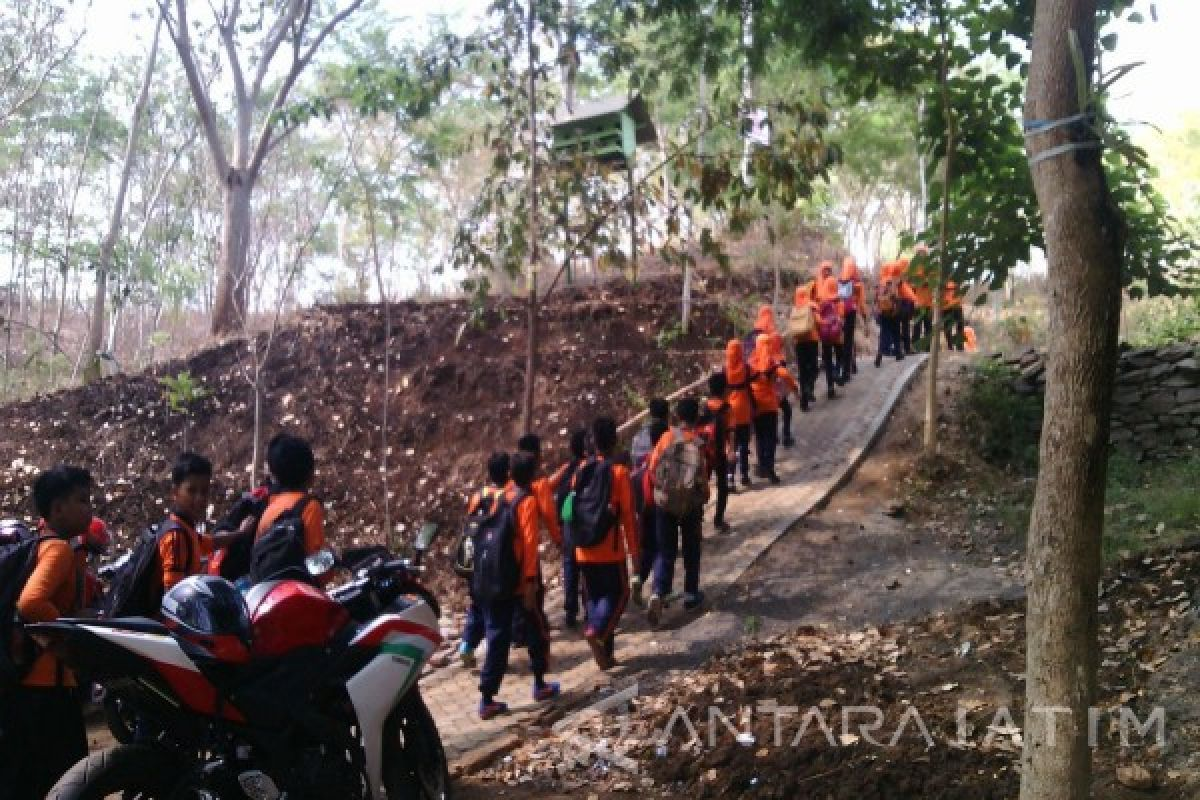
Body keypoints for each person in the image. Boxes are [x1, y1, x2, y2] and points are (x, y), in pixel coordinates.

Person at [0, 466, 92, 799]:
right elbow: (31, 602)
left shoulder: (39, 544)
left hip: (24, 685)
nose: (90, 509)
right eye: (82, 501)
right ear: (56, 509)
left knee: (24, 780)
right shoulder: (59, 549)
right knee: (73, 780)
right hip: (47, 689)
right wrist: (68, 636)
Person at [478, 451, 560, 719]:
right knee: (537, 628)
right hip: (518, 581)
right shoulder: (526, 502)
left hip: (492, 577)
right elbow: (529, 546)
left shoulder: (494, 497)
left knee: (498, 638)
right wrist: (529, 583)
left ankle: (487, 698)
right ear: (533, 475)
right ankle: (540, 684)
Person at [574, 417, 639, 670]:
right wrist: (634, 554)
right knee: (620, 595)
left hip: (583, 549)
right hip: (610, 551)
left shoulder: (580, 471)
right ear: (614, 440)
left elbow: (570, 510)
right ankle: (597, 633)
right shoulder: (619, 473)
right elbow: (628, 518)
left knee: (596, 598)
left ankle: (606, 655)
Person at [646, 397, 711, 626]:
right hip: (690, 505)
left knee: (666, 551)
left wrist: (660, 492)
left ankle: (659, 592)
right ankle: (691, 594)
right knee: (692, 548)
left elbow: (652, 468)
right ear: (696, 418)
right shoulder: (698, 442)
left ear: (677, 417)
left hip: (665, 504)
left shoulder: (666, 437)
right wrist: (704, 497)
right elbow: (702, 477)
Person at [458, 451, 510, 667]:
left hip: (473, 560)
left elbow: (470, 525)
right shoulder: (506, 497)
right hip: (494, 562)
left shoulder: (478, 496)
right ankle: (494, 657)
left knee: (477, 605)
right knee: (495, 611)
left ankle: (466, 647)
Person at [255, 433, 325, 555]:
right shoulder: (309, 508)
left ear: (274, 476)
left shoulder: (268, 510)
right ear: (310, 473)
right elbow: (319, 567)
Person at [629, 400, 668, 607]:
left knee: (647, 547)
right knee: (663, 548)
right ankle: (658, 592)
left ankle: (637, 578)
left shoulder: (638, 443)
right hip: (661, 504)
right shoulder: (667, 448)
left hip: (641, 503)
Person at [750, 334, 798, 483]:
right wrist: (795, 389)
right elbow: (786, 375)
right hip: (770, 404)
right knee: (770, 437)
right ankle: (770, 468)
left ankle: (762, 465)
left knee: (759, 436)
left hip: (755, 406)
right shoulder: (772, 363)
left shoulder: (751, 363)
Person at [555, 429, 590, 629]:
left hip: (568, 525)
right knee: (586, 568)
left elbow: (559, 498)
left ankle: (570, 610)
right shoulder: (589, 468)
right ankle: (588, 607)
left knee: (570, 568)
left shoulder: (566, 470)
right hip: (584, 524)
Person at [701, 372, 733, 532]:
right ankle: (719, 520)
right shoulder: (725, 408)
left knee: (699, 487)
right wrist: (731, 450)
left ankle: (697, 523)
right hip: (719, 453)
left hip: (704, 454)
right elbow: (729, 431)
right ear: (724, 389)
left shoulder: (705, 406)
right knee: (722, 486)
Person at [723, 340, 754, 489]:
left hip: (730, 411)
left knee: (731, 446)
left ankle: (730, 478)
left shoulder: (724, 370)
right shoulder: (746, 368)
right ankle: (744, 475)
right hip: (744, 409)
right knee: (743, 444)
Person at [790, 284, 820, 412]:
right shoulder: (811, 305)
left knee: (802, 371)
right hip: (811, 341)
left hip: (799, 342)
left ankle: (804, 403)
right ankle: (809, 387)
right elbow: (818, 321)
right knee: (813, 367)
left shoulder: (794, 308)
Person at [838, 256, 867, 382]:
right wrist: (864, 314)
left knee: (844, 341)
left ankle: (849, 367)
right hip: (851, 312)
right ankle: (848, 369)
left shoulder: (839, 281)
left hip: (839, 313)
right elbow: (861, 301)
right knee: (848, 341)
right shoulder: (858, 283)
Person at [817, 275, 844, 396]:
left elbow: (817, 317)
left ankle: (830, 387)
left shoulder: (821, 300)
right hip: (837, 333)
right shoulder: (838, 299)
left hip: (825, 334)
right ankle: (836, 373)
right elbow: (842, 315)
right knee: (839, 355)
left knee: (827, 359)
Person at [875, 261, 905, 367]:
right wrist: (898, 309)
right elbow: (898, 297)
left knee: (884, 334)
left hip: (883, 312)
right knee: (896, 332)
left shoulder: (881, 282)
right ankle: (898, 353)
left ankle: (880, 353)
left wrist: (878, 311)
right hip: (893, 312)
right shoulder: (894, 281)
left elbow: (876, 299)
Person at [942, 280, 966, 351]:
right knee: (948, 328)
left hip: (957, 306)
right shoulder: (942, 279)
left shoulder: (957, 279)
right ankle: (950, 347)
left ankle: (960, 347)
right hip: (947, 307)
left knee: (960, 326)